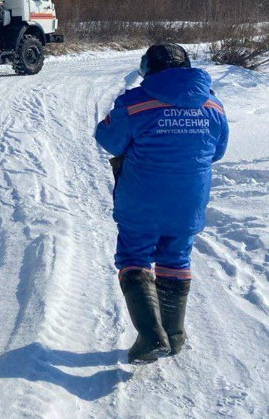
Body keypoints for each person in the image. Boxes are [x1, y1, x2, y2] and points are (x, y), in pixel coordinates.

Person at [95, 43, 229, 364]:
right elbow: (218, 151)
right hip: (189, 203)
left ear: (149, 68)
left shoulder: (135, 102)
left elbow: (108, 140)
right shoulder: (214, 105)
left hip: (142, 198)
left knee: (134, 257)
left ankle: (151, 336)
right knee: (176, 259)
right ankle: (175, 334)